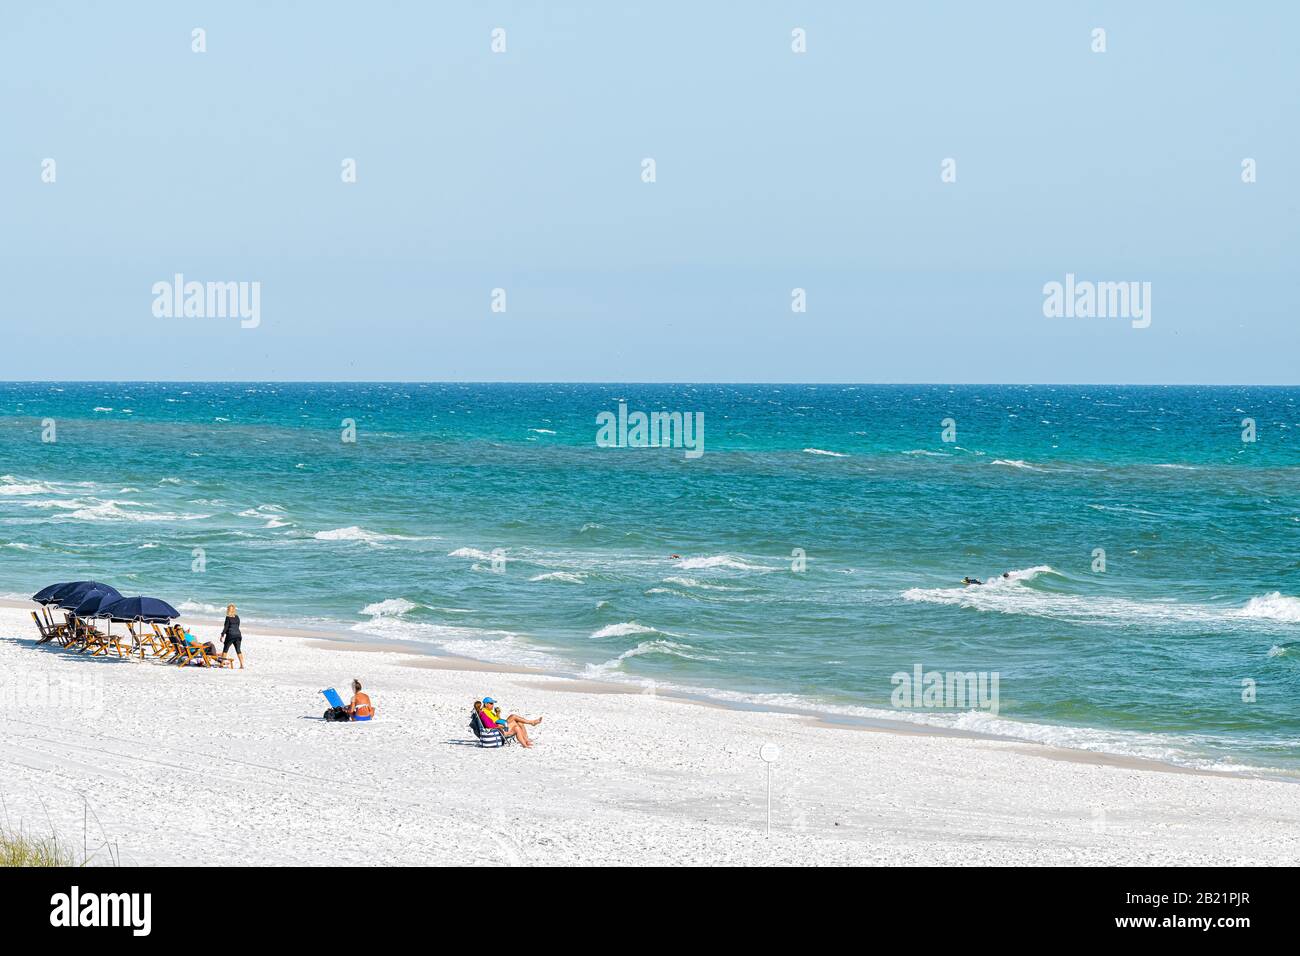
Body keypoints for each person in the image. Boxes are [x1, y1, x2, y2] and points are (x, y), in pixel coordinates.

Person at [219, 604, 245, 669]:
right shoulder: (237, 617)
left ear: (228, 610)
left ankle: (221, 664)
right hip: (238, 635)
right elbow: (238, 625)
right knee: (238, 650)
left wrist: (222, 635)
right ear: (234, 610)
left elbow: (226, 627)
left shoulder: (228, 617)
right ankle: (242, 665)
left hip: (230, 635)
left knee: (225, 649)